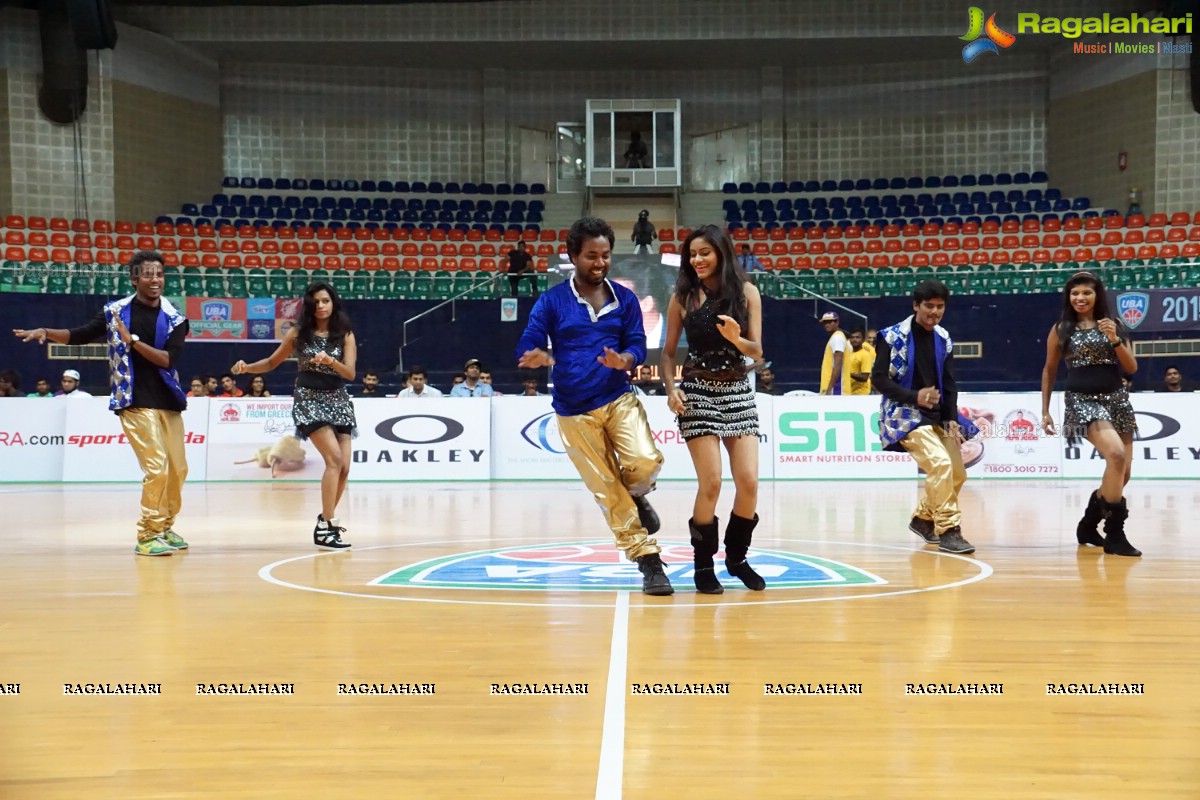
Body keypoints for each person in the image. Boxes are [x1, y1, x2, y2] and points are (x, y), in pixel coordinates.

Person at [515, 216, 671, 596]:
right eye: (591, 256)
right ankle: (648, 561)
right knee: (606, 489)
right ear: (573, 256)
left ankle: (637, 494)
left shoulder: (626, 298)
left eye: (605, 256)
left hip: (618, 397)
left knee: (646, 462)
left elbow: (636, 342)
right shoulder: (552, 300)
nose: (599, 263)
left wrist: (627, 360)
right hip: (572, 409)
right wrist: (532, 354)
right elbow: (530, 339)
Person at [13, 250, 191, 556]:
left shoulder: (176, 318)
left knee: (178, 469)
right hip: (133, 399)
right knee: (157, 466)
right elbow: (80, 334)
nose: (155, 280)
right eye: (148, 274)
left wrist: (132, 341)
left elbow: (167, 360)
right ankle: (147, 534)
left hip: (167, 398)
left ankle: (164, 525)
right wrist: (46, 332)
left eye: (159, 274)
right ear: (135, 278)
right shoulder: (115, 312)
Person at [662, 224, 765, 594]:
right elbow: (669, 353)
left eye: (704, 252)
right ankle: (703, 566)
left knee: (749, 482)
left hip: (738, 389)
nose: (697, 259)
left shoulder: (748, 292)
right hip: (698, 391)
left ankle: (737, 558)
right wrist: (672, 389)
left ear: (721, 252)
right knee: (712, 482)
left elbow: (757, 352)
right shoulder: (682, 297)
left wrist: (737, 339)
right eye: (692, 254)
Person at [232, 281, 357, 550]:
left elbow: (350, 373)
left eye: (325, 301)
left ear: (333, 303)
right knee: (333, 460)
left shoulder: (345, 334)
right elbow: (271, 362)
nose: (321, 306)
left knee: (345, 467)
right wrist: (246, 368)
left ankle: (324, 523)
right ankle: (328, 525)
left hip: (338, 399)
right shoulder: (299, 334)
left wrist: (330, 361)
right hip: (309, 398)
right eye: (316, 302)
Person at [870, 279, 979, 555]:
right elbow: (879, 380)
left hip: (937, 415)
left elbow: (950, 384)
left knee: (957, 473)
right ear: (916, 305)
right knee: (940, 465)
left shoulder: (944, 337)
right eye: (928, 306)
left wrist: (952, 418)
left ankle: (923, 518)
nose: (934, 312)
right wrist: (914, 396)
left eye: (940, 307)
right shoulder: (891, 336)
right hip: (903, 414)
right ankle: (949, 530)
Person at [1040, 271, 1140, 557]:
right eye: (1075, 293)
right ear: (1068, 298)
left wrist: (1113, 339)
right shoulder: (1061, 329)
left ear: (1098, 296)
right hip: (1082, 400)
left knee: (1124, 473)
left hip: (1117, 400)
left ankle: (1088, 524)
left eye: (1086, 293)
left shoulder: (1114, 325)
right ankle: (1115, 534)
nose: (1080, 298)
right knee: (1116, 455)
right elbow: (1049, 370)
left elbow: (1131, 368)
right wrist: (1045, 410)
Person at [819, 312, 850, 395]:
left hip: (837, 389)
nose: (827, 324)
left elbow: (838, 364)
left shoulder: (837, 338)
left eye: (830, 322)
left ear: (837, 322)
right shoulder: (835, 337)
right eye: (825, 322)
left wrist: (830, 388)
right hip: (834, 389)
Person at [846, 329, 874, 395]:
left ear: (863, 340)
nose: (854, 340)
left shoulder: (865, 355)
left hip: (862, 394)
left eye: (857, 337)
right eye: (852, 337)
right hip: (850, 393)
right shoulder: (848, 354)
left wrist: (847, 373)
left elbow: (865, 377)